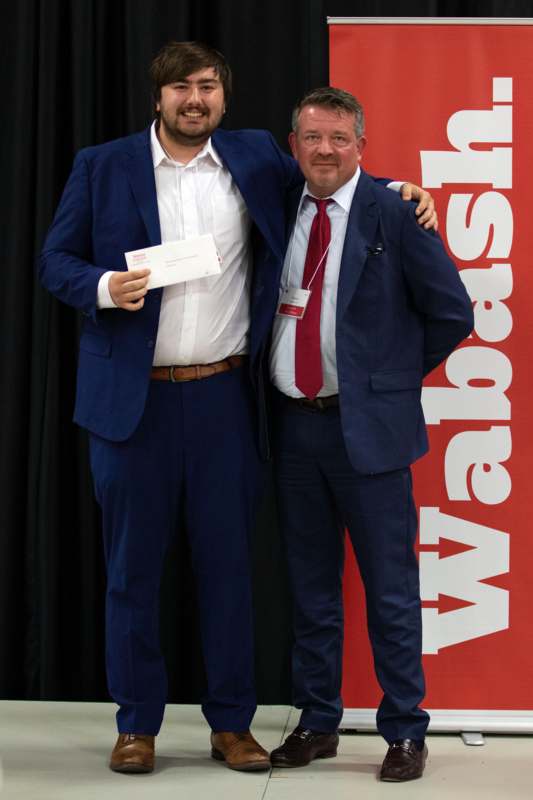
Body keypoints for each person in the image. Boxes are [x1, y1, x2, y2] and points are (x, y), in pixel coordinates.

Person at [39, 41, 437, 775]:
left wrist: (401, 188)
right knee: (132, 573)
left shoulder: (254, 157)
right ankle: (136, 725)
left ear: (223, 97)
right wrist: (100, 287)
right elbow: (53, 261)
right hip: (131, 407)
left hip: (225, 398)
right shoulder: (102, 165)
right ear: (156, 97)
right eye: (182, 87)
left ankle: (232, 725)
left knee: (228, 570)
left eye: (209, 86)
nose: (196, 99)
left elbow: (333, 175)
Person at [268, 87, 474, 782]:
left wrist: (382, 378)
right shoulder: (275, 206)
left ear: (361, 144)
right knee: (310, 588)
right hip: (294, 430)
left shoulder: (395, 209)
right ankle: (317, 720)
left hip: (372, 434)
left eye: (338, 139)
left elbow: (450, 311)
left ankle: (404, 730)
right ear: (293, 143)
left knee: (389, 587)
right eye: (312, 138)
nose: (324, 150)